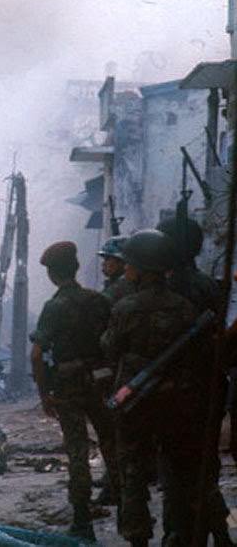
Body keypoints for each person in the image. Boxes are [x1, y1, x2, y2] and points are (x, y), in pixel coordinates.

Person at [101, 229, 209, 547]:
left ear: (142, 269)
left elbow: (110, 349)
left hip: (135, 402)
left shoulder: (125, 308)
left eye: (130, 263)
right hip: (175, 400)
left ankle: (137, 537)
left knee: (132, 469)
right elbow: (197, 355)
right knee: (175, 471)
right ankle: (175, 534)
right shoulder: (186, 308)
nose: (127, 268)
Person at [30, 241, 120, 541]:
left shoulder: (54, 307)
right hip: (100, 381)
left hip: (68, 387)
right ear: (77, 268)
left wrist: (44, 394)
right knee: (112, 441)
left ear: (52, 275)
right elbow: (114, 341)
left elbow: (37, 354)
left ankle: (82, 519)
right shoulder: (98, 300)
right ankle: (123, 498)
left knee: (78, 451)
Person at [155, 216, 233, 546]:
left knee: (175, 467)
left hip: (178, 392)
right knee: (203, 464)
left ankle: (183, 531)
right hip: (208, 388)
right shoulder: (209, 286)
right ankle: (210, 529)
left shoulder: (172, 290)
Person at [98, 235, 134, 303]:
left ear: (121, 262)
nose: (103, 264)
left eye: (107, 259)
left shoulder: (123, 287)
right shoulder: (113, 285)